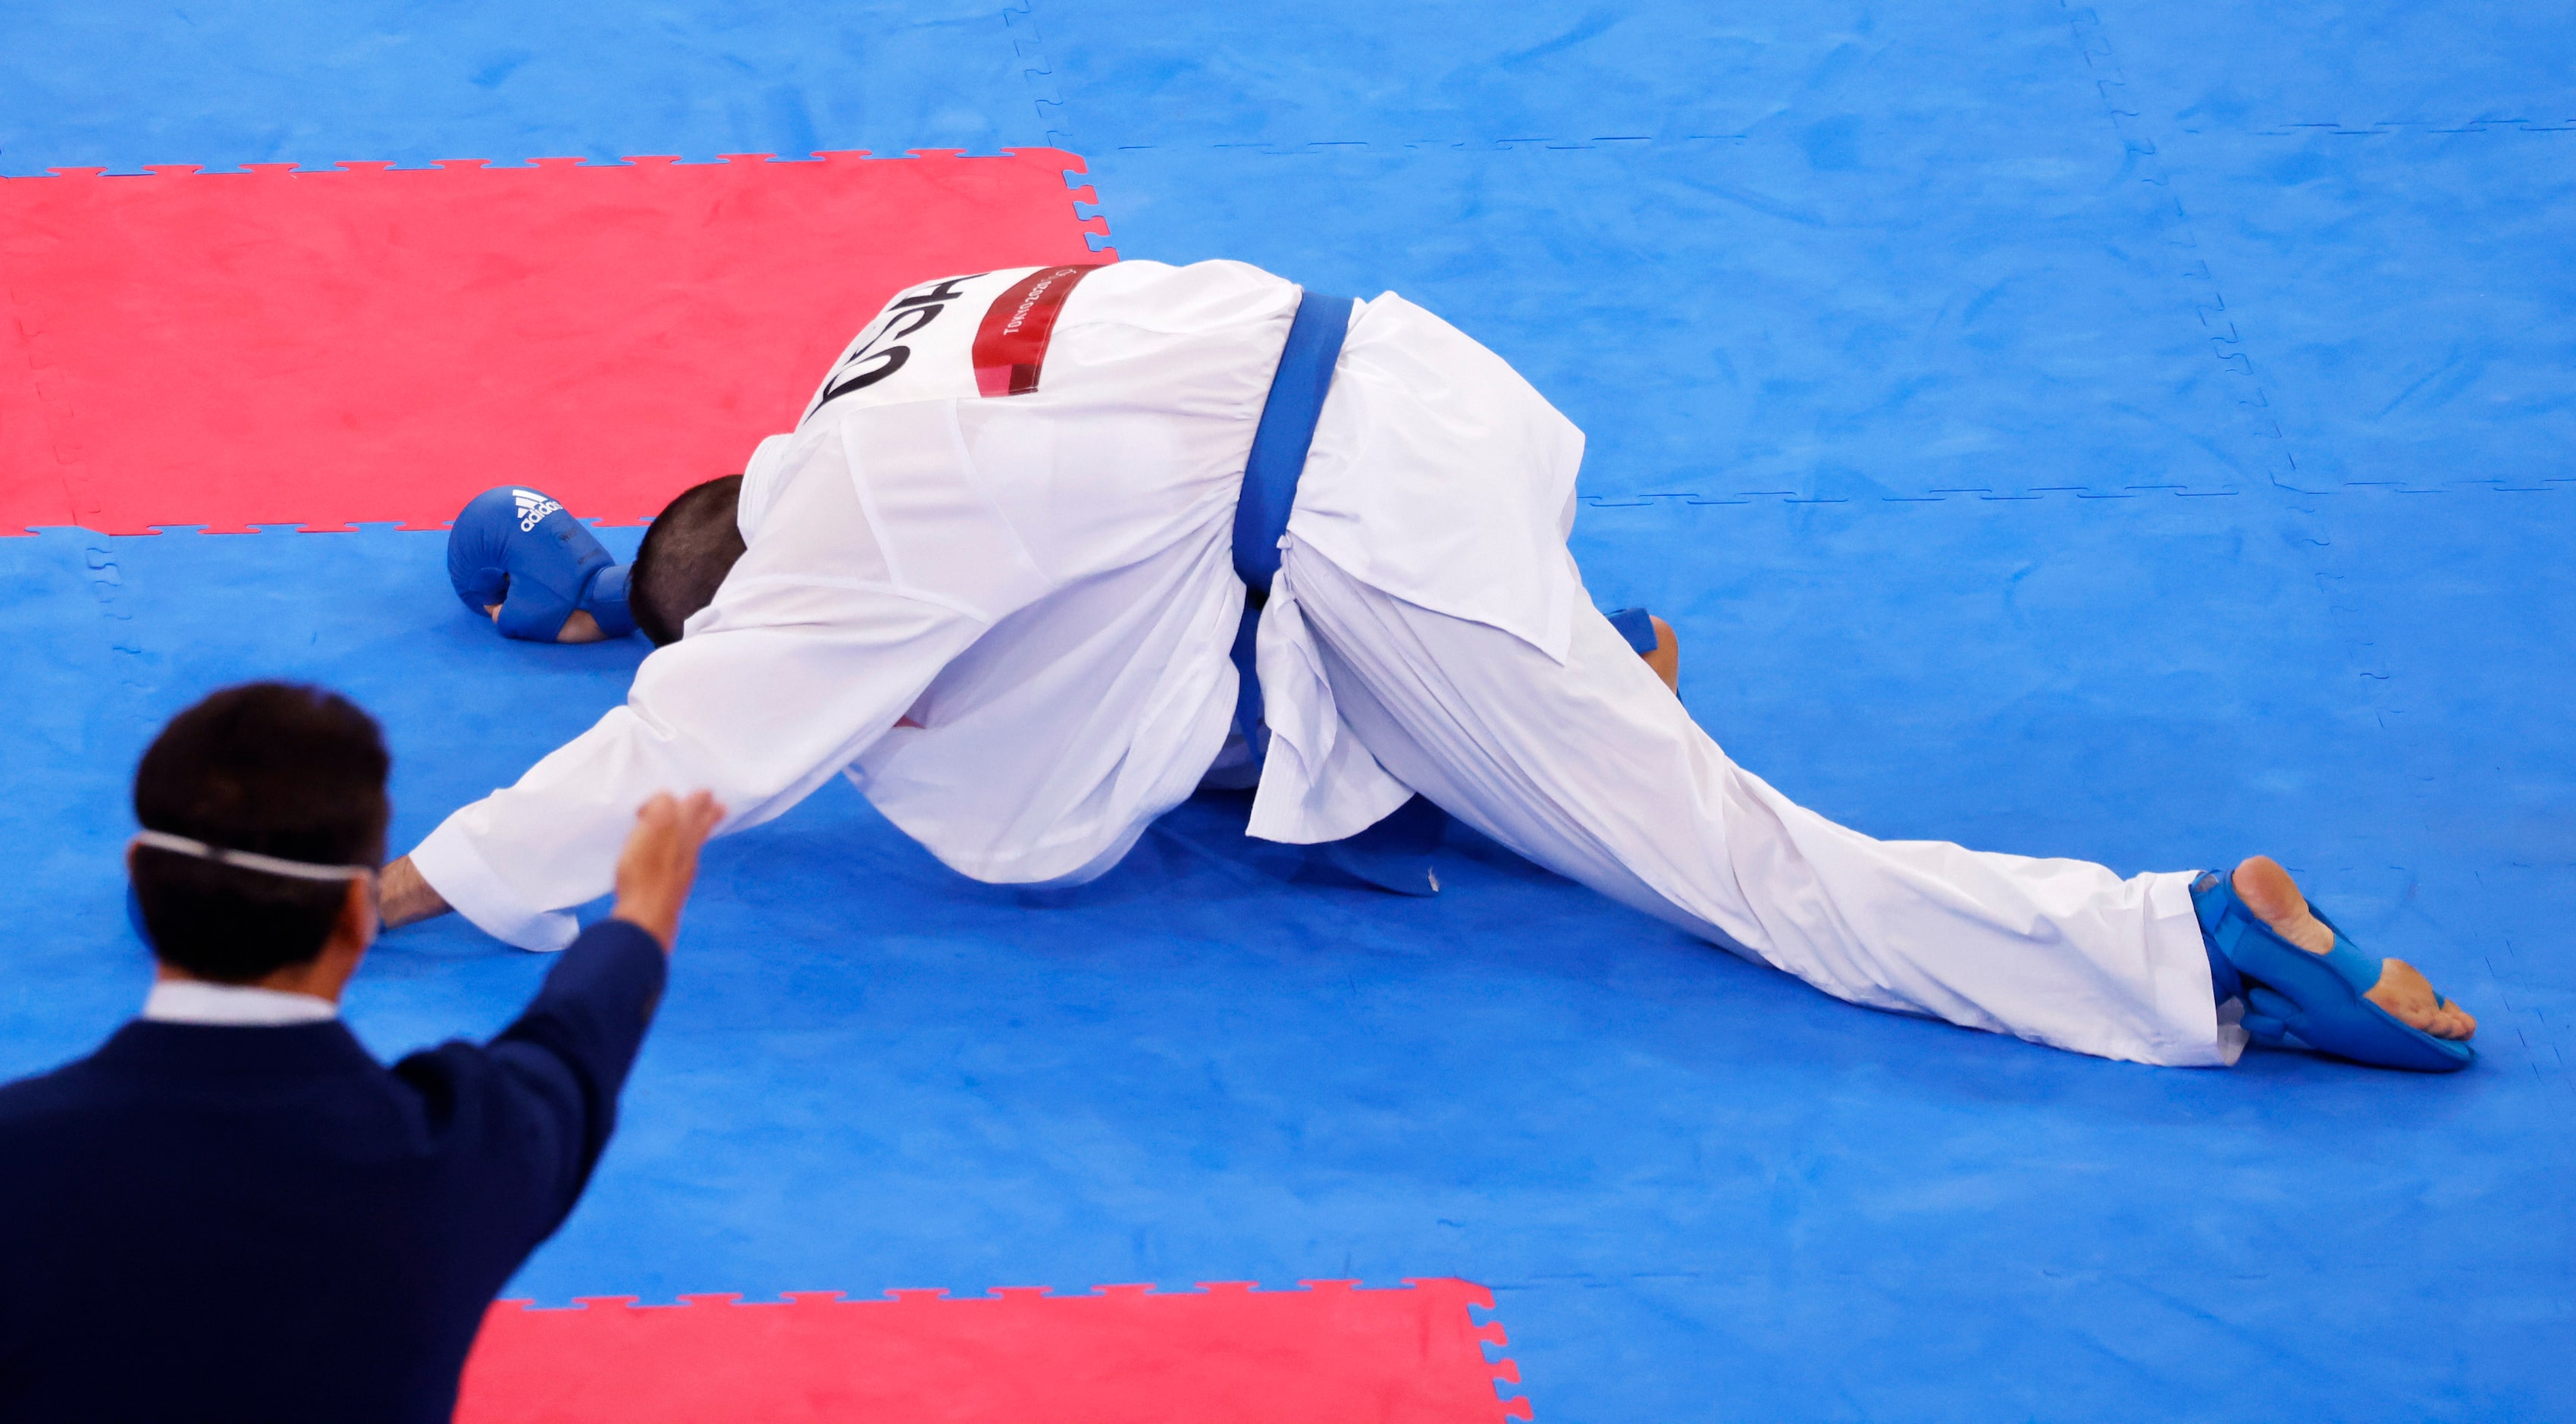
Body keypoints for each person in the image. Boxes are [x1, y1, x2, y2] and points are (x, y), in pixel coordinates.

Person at [378, 259, 2474, 1072]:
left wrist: (396, 886)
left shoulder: (845, 560)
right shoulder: (885, 346)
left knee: (1747, 870)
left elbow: (681, 753)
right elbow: (738, 596)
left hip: (1388, 555)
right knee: (1027, 696)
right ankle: (1468, 718)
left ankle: (2179, 940)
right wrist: (594, 570)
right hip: (1405, 393)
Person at [0, 682, 724, 1422]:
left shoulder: (16, 1149)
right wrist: (642, 914)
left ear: (143, 880)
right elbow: (573, 1046)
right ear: (358, 912)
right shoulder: (459, 1149)